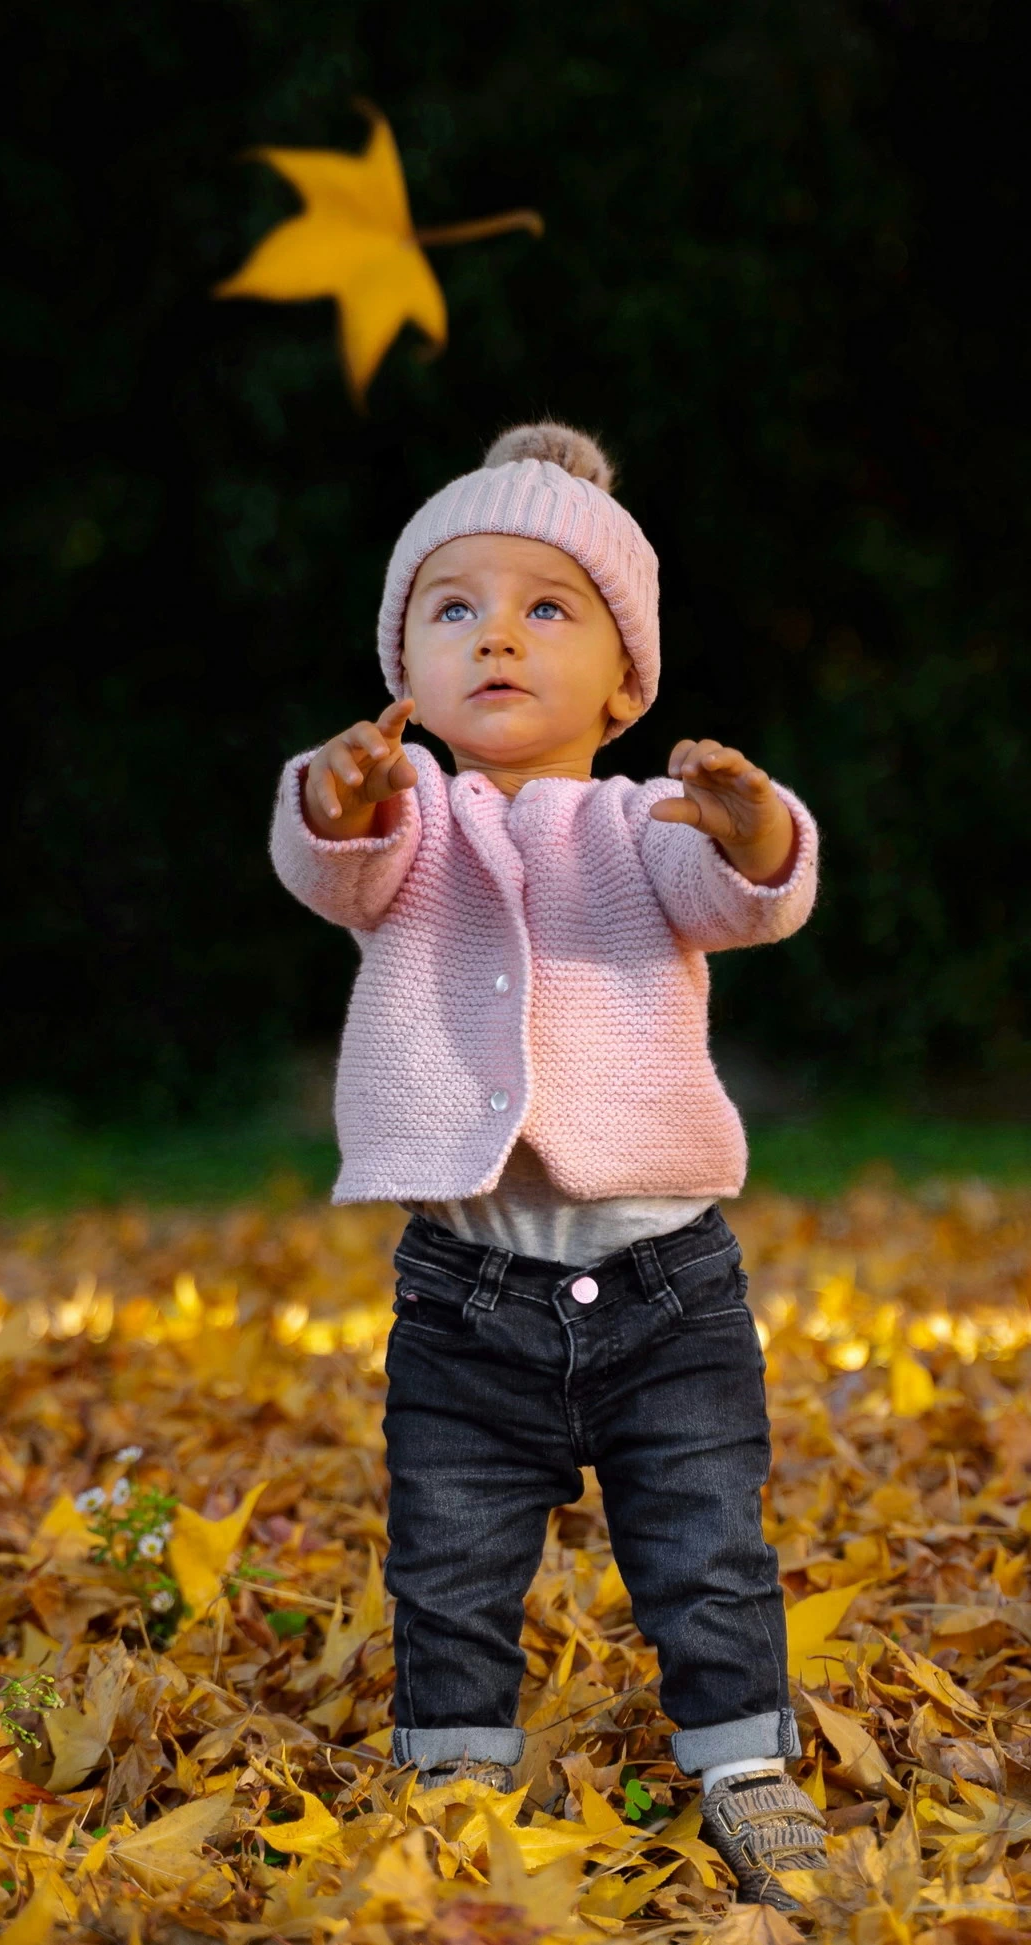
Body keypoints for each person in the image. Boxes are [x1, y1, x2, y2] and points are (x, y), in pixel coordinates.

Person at [269, 423, 829, 1909]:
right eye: (454, 609)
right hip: (465, 1295)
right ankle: (455, 1769)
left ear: (623, 678)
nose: (496, 637)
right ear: (408, 667)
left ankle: (743, 1762)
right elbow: (341, 862)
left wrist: (756, 826)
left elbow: (748, 895)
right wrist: (332, 801)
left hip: (668, 1286)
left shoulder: (645, 822)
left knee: (706, 1545)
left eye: (545, 608)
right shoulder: (412, 820)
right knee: (447, 1552)